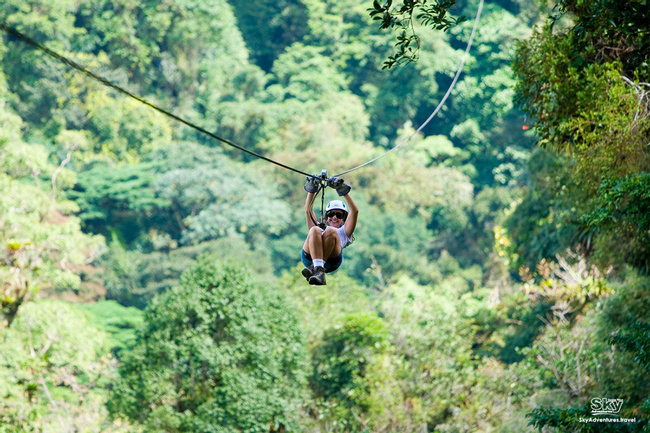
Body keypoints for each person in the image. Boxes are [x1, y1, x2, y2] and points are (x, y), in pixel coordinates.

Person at [301, 176, 358, 285]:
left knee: (330, 231)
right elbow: (308, 211)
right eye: (331, 214)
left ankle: (318, 269)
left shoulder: (344, 232)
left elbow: (354, 211)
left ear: (344, 218)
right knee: (314, 230)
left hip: (331, 262)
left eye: (339, 214)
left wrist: (343, 190)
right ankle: (318, 269)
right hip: (309, 259)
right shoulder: (318, 227)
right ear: (327, 216)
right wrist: (312, 189)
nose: (334, 217)